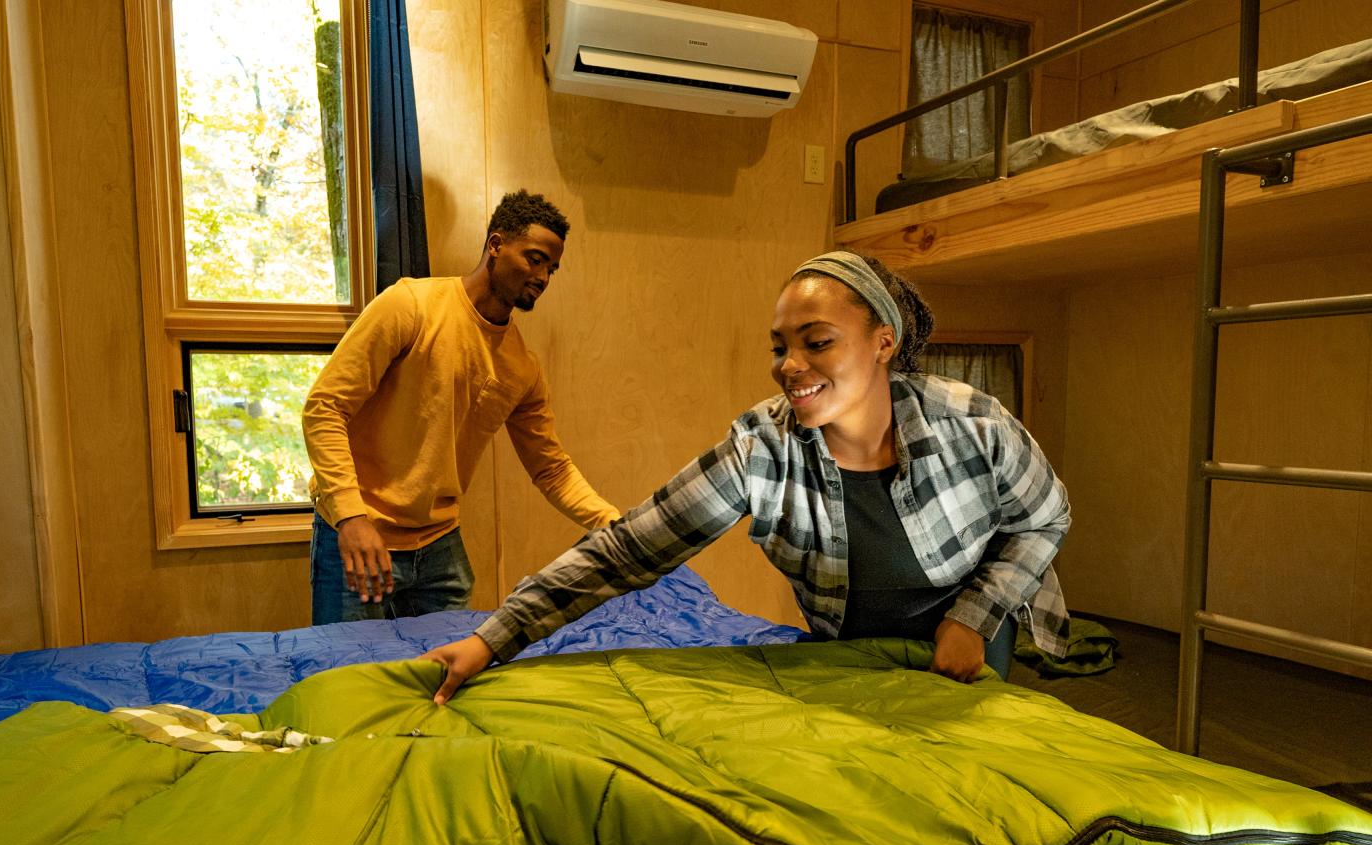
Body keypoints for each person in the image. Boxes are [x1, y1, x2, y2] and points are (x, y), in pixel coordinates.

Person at [421, 251, 1072, 701]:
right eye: (782, 346)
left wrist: (975, 616)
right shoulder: (763, 449)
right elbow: (628, 550)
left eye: (817, 342)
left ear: (883, 341)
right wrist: (492, 638)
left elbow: (1044, 514)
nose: (790, 366)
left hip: (971, 630)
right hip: (855, 641)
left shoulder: (973, 421)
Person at [302, 190, 619, 625]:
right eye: (534, 258)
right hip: (362, 534)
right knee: (347, 681)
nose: (543, 277)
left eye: (552, 267)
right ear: (495, 245)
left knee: (442, 685)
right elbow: (324, 408)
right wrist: (350, 517)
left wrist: (614, 525)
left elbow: (552, 469)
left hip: (440, 551)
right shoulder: (410, 306)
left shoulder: (522, 367)